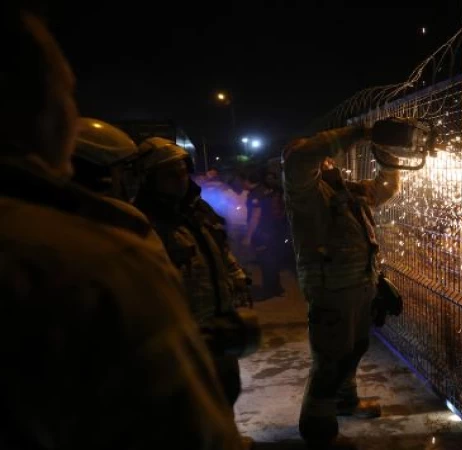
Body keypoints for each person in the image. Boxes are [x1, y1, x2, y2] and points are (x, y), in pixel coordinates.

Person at [0, 6, 243, 450]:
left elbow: (218, 256)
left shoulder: (191, 215)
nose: (180, 181)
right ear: (44, 111)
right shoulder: (102, 255)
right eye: (65, 93)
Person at [282, 120, 416, 446]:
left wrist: (385, 155)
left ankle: (345, 402)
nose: (325, 159)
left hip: (358, 284)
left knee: (354, 349)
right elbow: (302, 157)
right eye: (319, 156)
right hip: (331, 289)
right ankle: (318, 430)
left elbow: (384, 189)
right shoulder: (303, 191)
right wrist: (360, 132)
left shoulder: (345, 189)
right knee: (329, 361)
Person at [133, 138, 252, 413]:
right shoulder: (142, 222)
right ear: (150, 179)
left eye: (183, 172)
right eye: (170, 175)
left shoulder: (198, 211)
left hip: (219, 323)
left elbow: (220, 250)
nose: (180, 180)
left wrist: (237, 277)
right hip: (181, 333)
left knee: (226, 389)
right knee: (192, 404)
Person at [243, 168, 285, 301]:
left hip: (262, 232)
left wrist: (248, 236)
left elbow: (255, 216)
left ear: (247, 180)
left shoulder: (255, 194)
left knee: (266, 262)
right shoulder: (267, 190)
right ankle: (277, 287)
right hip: (274, 230)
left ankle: (268, 290)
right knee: (273, 260)